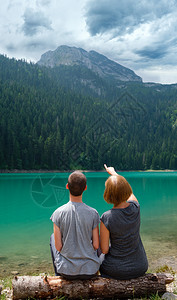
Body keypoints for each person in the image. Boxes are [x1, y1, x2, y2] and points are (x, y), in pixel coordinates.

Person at [99, 164, 148, 280]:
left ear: (108, 194)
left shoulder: (106, 217)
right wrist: (115, 174)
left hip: (116, 270)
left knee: (98, 256)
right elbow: (130, 193)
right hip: (140, 266)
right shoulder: (136, 207)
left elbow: (105, 249)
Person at [50, 170, 101, 279]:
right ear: (85, 188)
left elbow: (58, 247)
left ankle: (57, 275)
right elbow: (96, 245)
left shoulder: (58, 213)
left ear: (67, 186)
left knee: (52, 238)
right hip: (90, 271)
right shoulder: (93, 213)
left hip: (66, 271)